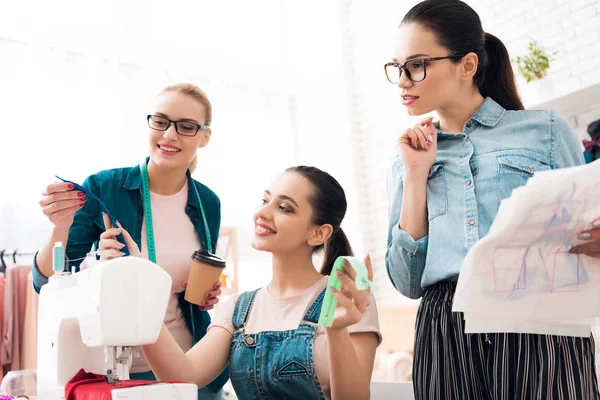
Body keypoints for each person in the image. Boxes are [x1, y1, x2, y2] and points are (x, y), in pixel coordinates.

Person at [384, 1, 600, 399]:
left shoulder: (545, 131)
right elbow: (407, 282)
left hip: (538, 315)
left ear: (467, 65)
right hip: (444, 326)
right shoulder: (406, 155)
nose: (403, 80)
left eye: (416, 65)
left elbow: (586, 237)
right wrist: (415, 176)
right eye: (396, 67)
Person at [100, 166, 381, 400]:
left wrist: (336, 331)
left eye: (284, 207)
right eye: (265, 200)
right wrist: (137, 280)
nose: (263, 213)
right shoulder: (239, 308)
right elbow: (182, 375)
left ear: (319, 233)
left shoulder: (346, 301)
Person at [34, 82, 228, 398]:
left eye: (187, 126)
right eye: (161, 121)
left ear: (205, 136)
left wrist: (204, 293)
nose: (169, 134)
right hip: (117, 369)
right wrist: (67, 235)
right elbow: (46, 281)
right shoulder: (103, 187)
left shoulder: (208, 202)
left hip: (187, 363)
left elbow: (189, 281)